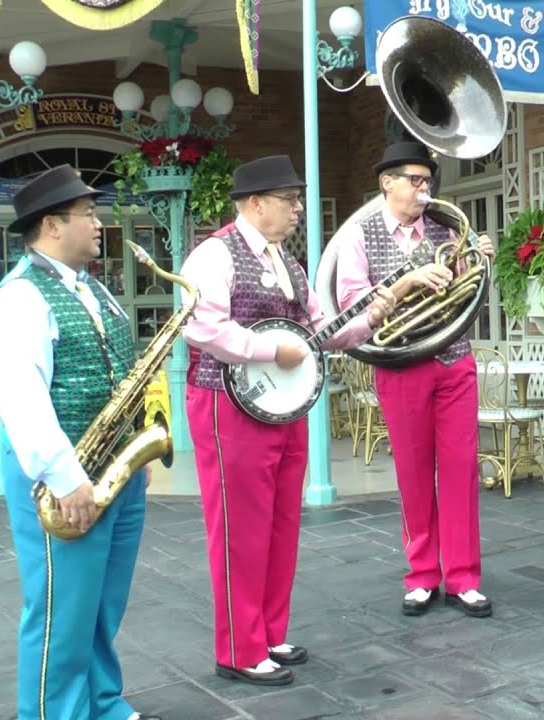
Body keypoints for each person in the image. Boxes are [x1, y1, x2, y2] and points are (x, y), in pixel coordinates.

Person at [180, 155, 394, 686]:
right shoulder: (214, 254)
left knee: (280, 526)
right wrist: (268, 349)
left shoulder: (291, 265)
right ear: (255, 204)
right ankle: (238, 647)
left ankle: (268, 632)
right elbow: (200, 326)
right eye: (289, 200)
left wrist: (370, 316)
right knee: (239, 529)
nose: (298, 209)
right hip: (226, 404)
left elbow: (322, 331)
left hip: (283, 409)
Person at [0, 164, 161, 720]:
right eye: (88, 214)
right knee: (62, 611)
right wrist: (64, 476)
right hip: (64, 476)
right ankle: (54, 712)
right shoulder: (17, 300)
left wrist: (135, 451)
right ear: (52, 226)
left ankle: (102, 703)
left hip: (114, 471)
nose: (98, 222)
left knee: (103, 605)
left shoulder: (92, 287)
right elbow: (22, 399)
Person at [330, 141, 496, 618]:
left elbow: (468, 295)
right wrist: (407, 282)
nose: (425, 190)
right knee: (413, 472)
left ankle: (463, 576)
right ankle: (422, 574)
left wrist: (478, 259)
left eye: (428, 182)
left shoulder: (446, 228)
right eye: (415, 181)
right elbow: (352, 304)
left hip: (453, 359)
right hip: (400, 363)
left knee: (461, 468)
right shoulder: (358, 235)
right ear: (387, 182)